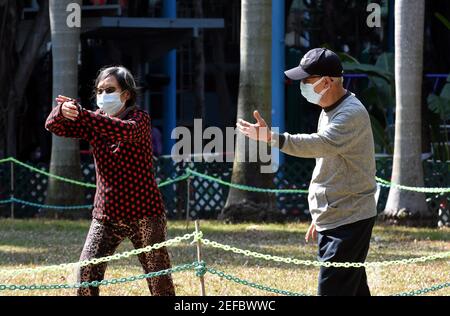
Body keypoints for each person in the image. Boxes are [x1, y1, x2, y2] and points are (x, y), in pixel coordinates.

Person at [236, 48, 377, 296]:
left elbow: (318, 144)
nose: (303, 86)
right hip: (335, 215)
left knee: (332, 289)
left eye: (308, 81)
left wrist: (272, 138)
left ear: (328, 81)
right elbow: (331, 164)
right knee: (352, 290)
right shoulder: (330, 109)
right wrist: (320, 214)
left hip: (349, 218)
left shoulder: (350, 114)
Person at [45, 66, 175, 296]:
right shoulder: (95, 120)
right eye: (99, 90)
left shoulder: (139, 119)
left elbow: (121, 130)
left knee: (159, 280)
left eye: (110, 90)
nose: (103, 95)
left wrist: (84, 114)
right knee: (86, 273)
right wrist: (62, 111)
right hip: (106, 215)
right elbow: (53, 126)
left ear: (126, 94)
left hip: (145, 213)